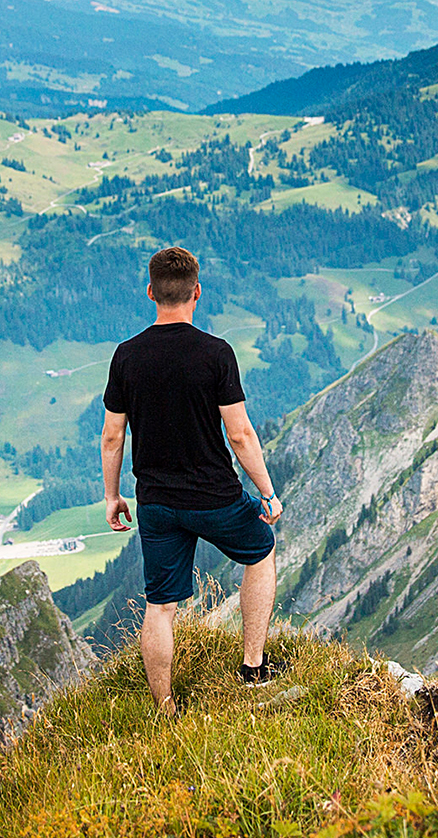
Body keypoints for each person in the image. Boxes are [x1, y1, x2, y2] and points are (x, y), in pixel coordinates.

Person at [101, 246, 284, 715]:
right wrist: (267, 491)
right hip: (214, 496)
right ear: (196, 292)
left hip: (156, 502)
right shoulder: (215, 354)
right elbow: (240, 435)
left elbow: (111, 436)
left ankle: (165, 710)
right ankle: (253, 668)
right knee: (261, 552)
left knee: (161, 605)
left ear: (151, 292)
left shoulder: (126, 357)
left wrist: (113, 495)